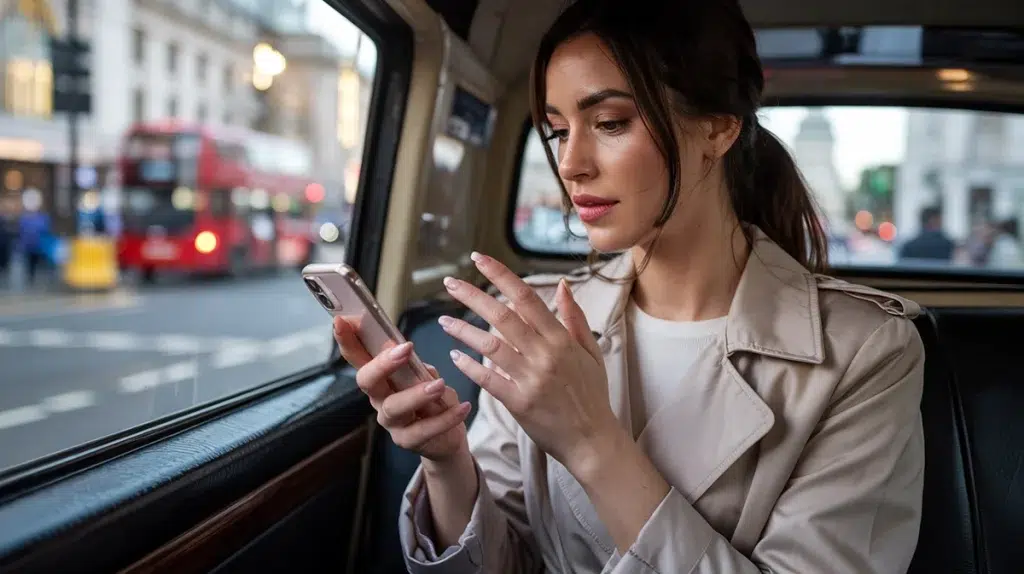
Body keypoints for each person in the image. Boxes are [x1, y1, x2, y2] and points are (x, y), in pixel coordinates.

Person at [334, 0, 926, 571]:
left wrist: (592, 442)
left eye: (611, 122)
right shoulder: (539, 316)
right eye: (558, 131)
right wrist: (446, 461)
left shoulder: (865, 353)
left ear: (718, 129)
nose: (570, 164)